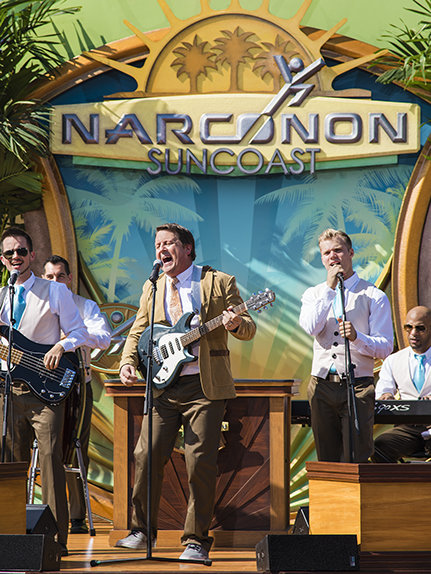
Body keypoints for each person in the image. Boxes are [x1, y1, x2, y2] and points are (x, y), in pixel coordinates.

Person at [117, 223, 256, 561]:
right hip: (162, 387)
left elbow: (248, 328)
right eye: (158, 245)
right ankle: (141, 530)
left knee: (200, 463)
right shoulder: (152, 286)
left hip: (204, 387)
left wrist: (236, 323)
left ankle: (195, 540)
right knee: (146, 455)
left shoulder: (218, 281)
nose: (161, 250)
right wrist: (127, 362)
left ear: (187, 248)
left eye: (168, 243)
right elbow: (138, 330)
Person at [0, 227, 88, 555]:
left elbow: (79, 331)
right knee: (11, 466)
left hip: (46, 391)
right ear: (2, 259)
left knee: (51, 464)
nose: (16, 257)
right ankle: (12, 538)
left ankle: (55, 541)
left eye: (21, 251)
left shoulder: (54, 290)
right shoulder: (1, 296)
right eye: (9, 253)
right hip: (9, 392)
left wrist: (61, 346)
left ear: (32, 255)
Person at [299, 228, 393, 462]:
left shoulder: (374, 295)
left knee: (356, 457)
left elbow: (385, 348)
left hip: (357, 385)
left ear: (350, 253)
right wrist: (329, 290)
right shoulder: (314, 294)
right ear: (322, 259)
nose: (332, 256)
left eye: (338, 250)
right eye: (326, 253)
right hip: (322, 385)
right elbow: (310, 327)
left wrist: (357, 337)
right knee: (326, 457)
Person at [42, 255, 111, 533]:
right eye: (50, 277)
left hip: (78, 387)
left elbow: (104, 338)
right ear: (43, 279)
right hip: (42, 386)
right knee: (47, 450)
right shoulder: (38, 306)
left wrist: (73, 338)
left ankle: (78, 517)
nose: (56, 281)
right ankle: (41, 516)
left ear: (69, 279)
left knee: (75, 447)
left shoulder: (85, 306)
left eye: (60, 276)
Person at [372, 306, 431, 463]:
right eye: (408, 327)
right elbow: (382, 392)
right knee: (379, 446)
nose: (413, 333)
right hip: (409, 429)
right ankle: (396, 479)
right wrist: (386, 396)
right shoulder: (393, 360)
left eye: (420, 328)